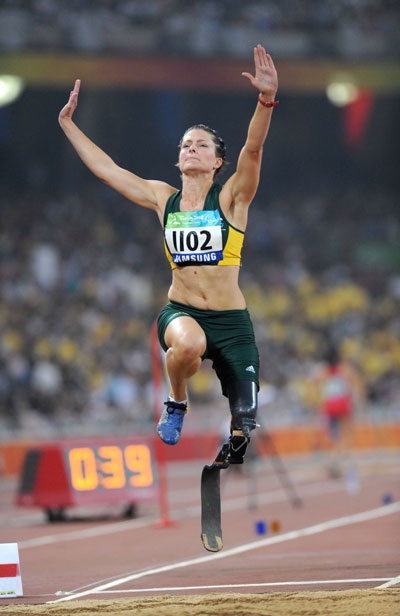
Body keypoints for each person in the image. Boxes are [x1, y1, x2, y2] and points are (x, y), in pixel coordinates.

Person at [59, 45, 278, 464]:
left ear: (217, 162)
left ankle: (236, 438)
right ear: (178, 158)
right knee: (190, 344)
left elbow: (253, 149)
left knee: (246, 421)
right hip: (182, 312)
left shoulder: (231, 199)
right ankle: (176, 402)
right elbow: (109, 170)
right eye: (185, 144)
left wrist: (266, 100)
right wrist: (68, 125)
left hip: (232, 322)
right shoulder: (165, 199)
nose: (191, 149)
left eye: (201, 145)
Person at [314, 344, 365, 478]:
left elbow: (316, 386)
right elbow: (356, 387)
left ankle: (333, 459)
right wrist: (358, 403)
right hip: (342, 403)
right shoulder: (346, 369)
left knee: (333, 436)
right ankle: (339, 461)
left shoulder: (322, 372)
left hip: (329, 405)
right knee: (345, 434)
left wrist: (320, 404)